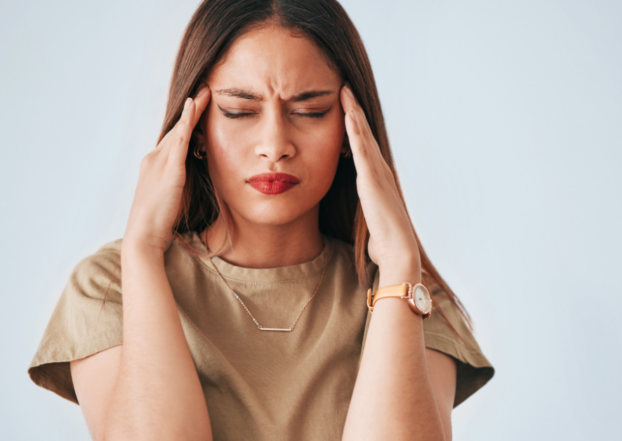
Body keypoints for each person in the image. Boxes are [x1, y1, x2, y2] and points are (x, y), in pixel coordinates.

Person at [27, 1, 494, 440]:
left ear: (353, 130)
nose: (275, 144)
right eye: (239, 111)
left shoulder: (412, 294)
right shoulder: (111, 285)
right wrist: (143, 251)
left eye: (309, 111)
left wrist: (397, 261)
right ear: (197, 131)